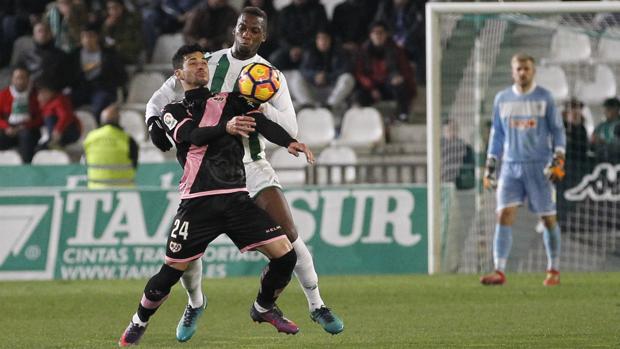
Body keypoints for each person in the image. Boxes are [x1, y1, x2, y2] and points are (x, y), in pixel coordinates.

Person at [145, 6, 344, 341]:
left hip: (252, 164)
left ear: (263, 36)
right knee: (189, 254)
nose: (247, 34)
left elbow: (290, 126)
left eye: (255, 31)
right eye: (243, 28)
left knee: (290, 234)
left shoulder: (271, 75)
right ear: (234, 29)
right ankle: (195, 303)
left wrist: (261, 105)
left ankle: (316, 304)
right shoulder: (207, 60)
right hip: (207, 171)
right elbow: (160, 96)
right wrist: (152, 121)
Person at [119, 43, 312, 346]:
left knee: (286, 255)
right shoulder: (174, 111)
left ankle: (263, 307)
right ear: (178, 73)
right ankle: (139, 321)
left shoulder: (232, 100)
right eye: (192, 62)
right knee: (169, 273)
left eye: (202, 62)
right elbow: (193, 136)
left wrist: (289, 142)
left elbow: (260, 122)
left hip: (236, 197)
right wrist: (227, 127)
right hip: (197, 202)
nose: (200, 66)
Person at [481, 53, 566, 287]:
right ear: (512, 71)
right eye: (518, 69)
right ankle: (499, 270)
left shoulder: (545, 98)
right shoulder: (502, 99)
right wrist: (490, 163)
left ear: (533, 70)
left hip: (540, 166)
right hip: (511, 166)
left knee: (548, 218)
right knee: (504, 214)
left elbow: (558, 131)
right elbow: (497, 134)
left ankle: (554, 269)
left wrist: (559, 158)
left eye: (526, 69)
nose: (522, 73)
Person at [354, 20, 416, 123]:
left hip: (389, 84)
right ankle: (365, 121)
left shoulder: (396, 50)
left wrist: (400, 77)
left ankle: (403, 115)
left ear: (386, 34)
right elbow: (360, 73)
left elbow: (406, 70)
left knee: (400, 86)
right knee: (359, 95)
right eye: (375, 33)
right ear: (370, 35)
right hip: (372, 86)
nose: (378, 36)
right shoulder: (363, 51)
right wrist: (371, 88)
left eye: (381, 32)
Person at [69, 23, 128, 123]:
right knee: (65, 103)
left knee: (100, 106)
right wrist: (83, 71)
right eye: (84, 36)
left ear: (97, 37)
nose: (87, 40)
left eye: (91, 36)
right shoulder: (75, 54)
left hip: (102, 88)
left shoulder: (109, 54)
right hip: (82, 88)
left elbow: (122, 76)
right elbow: (69, 77)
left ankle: (97, 133)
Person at [290, 29, 355, 116]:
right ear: (316, 41)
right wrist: (314, 76)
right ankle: (308, 106)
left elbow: (345, 69)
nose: (322, 42)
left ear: (330, 40)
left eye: (325, 39)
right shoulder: (310, 52)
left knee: (348, 78)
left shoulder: (339, 52)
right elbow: (303, 70)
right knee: (295, 76)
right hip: (313, 90)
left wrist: (327, 77)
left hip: (332, 91)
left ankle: (329, 107)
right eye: (320, 39)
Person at [83, 104, 138, 189]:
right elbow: (134, 164)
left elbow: (85, 162)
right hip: (123, 192)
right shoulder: (127, 139)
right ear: (118, 120)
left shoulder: (90, 138)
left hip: (95, 191)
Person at [0, 66, 42, 163]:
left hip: (29, 129)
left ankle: (26, 168)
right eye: (17, 78)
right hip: (9, 129)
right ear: (12, 79)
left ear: (28, 79)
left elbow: (41, 117)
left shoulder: (35, 95)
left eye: (23, 78)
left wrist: (25, 126)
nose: (20, 81)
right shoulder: (4, 95)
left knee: (26, 137)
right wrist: (6, 127)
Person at [35, 75, 81, 149]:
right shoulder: (45, 104)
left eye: (43, 92)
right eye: (39, 93)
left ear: (51, 91)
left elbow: (65, 116)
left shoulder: (59, 100)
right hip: (54, 134)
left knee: (50, 117)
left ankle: (55, 143)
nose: (41, 96)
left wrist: (58, 129)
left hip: (69, 131)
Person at [590, 97, 620, 163]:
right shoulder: (601, 126)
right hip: (599, 158)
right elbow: (592, 140)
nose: (605, 112)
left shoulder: (618, 125)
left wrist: (604, 142)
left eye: (608, 109)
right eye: (605, 109)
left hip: (616, 159)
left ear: (616, 109)